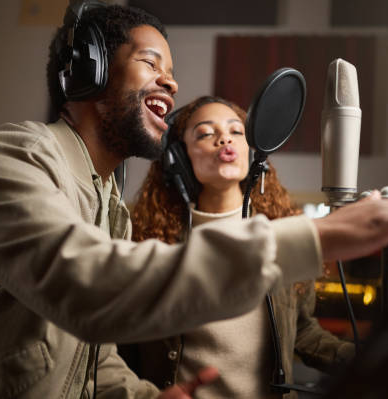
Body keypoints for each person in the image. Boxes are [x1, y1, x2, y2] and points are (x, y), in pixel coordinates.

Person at [0, 1, 388, 398]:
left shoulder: (106, 203)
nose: (172, 83)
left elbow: (86, 355)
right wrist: (321, 236)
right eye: (150, 62)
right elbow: (89, 289)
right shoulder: (9, 161)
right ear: (91, 72)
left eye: (172, 69)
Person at [123, 96, 355, 398]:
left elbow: (303, 331)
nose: (224, 139)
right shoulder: (148, 243)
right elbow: (121, 348)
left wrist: (370, 361)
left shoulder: (283, 236)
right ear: (179, 158)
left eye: (237, 131)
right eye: (206, 134)